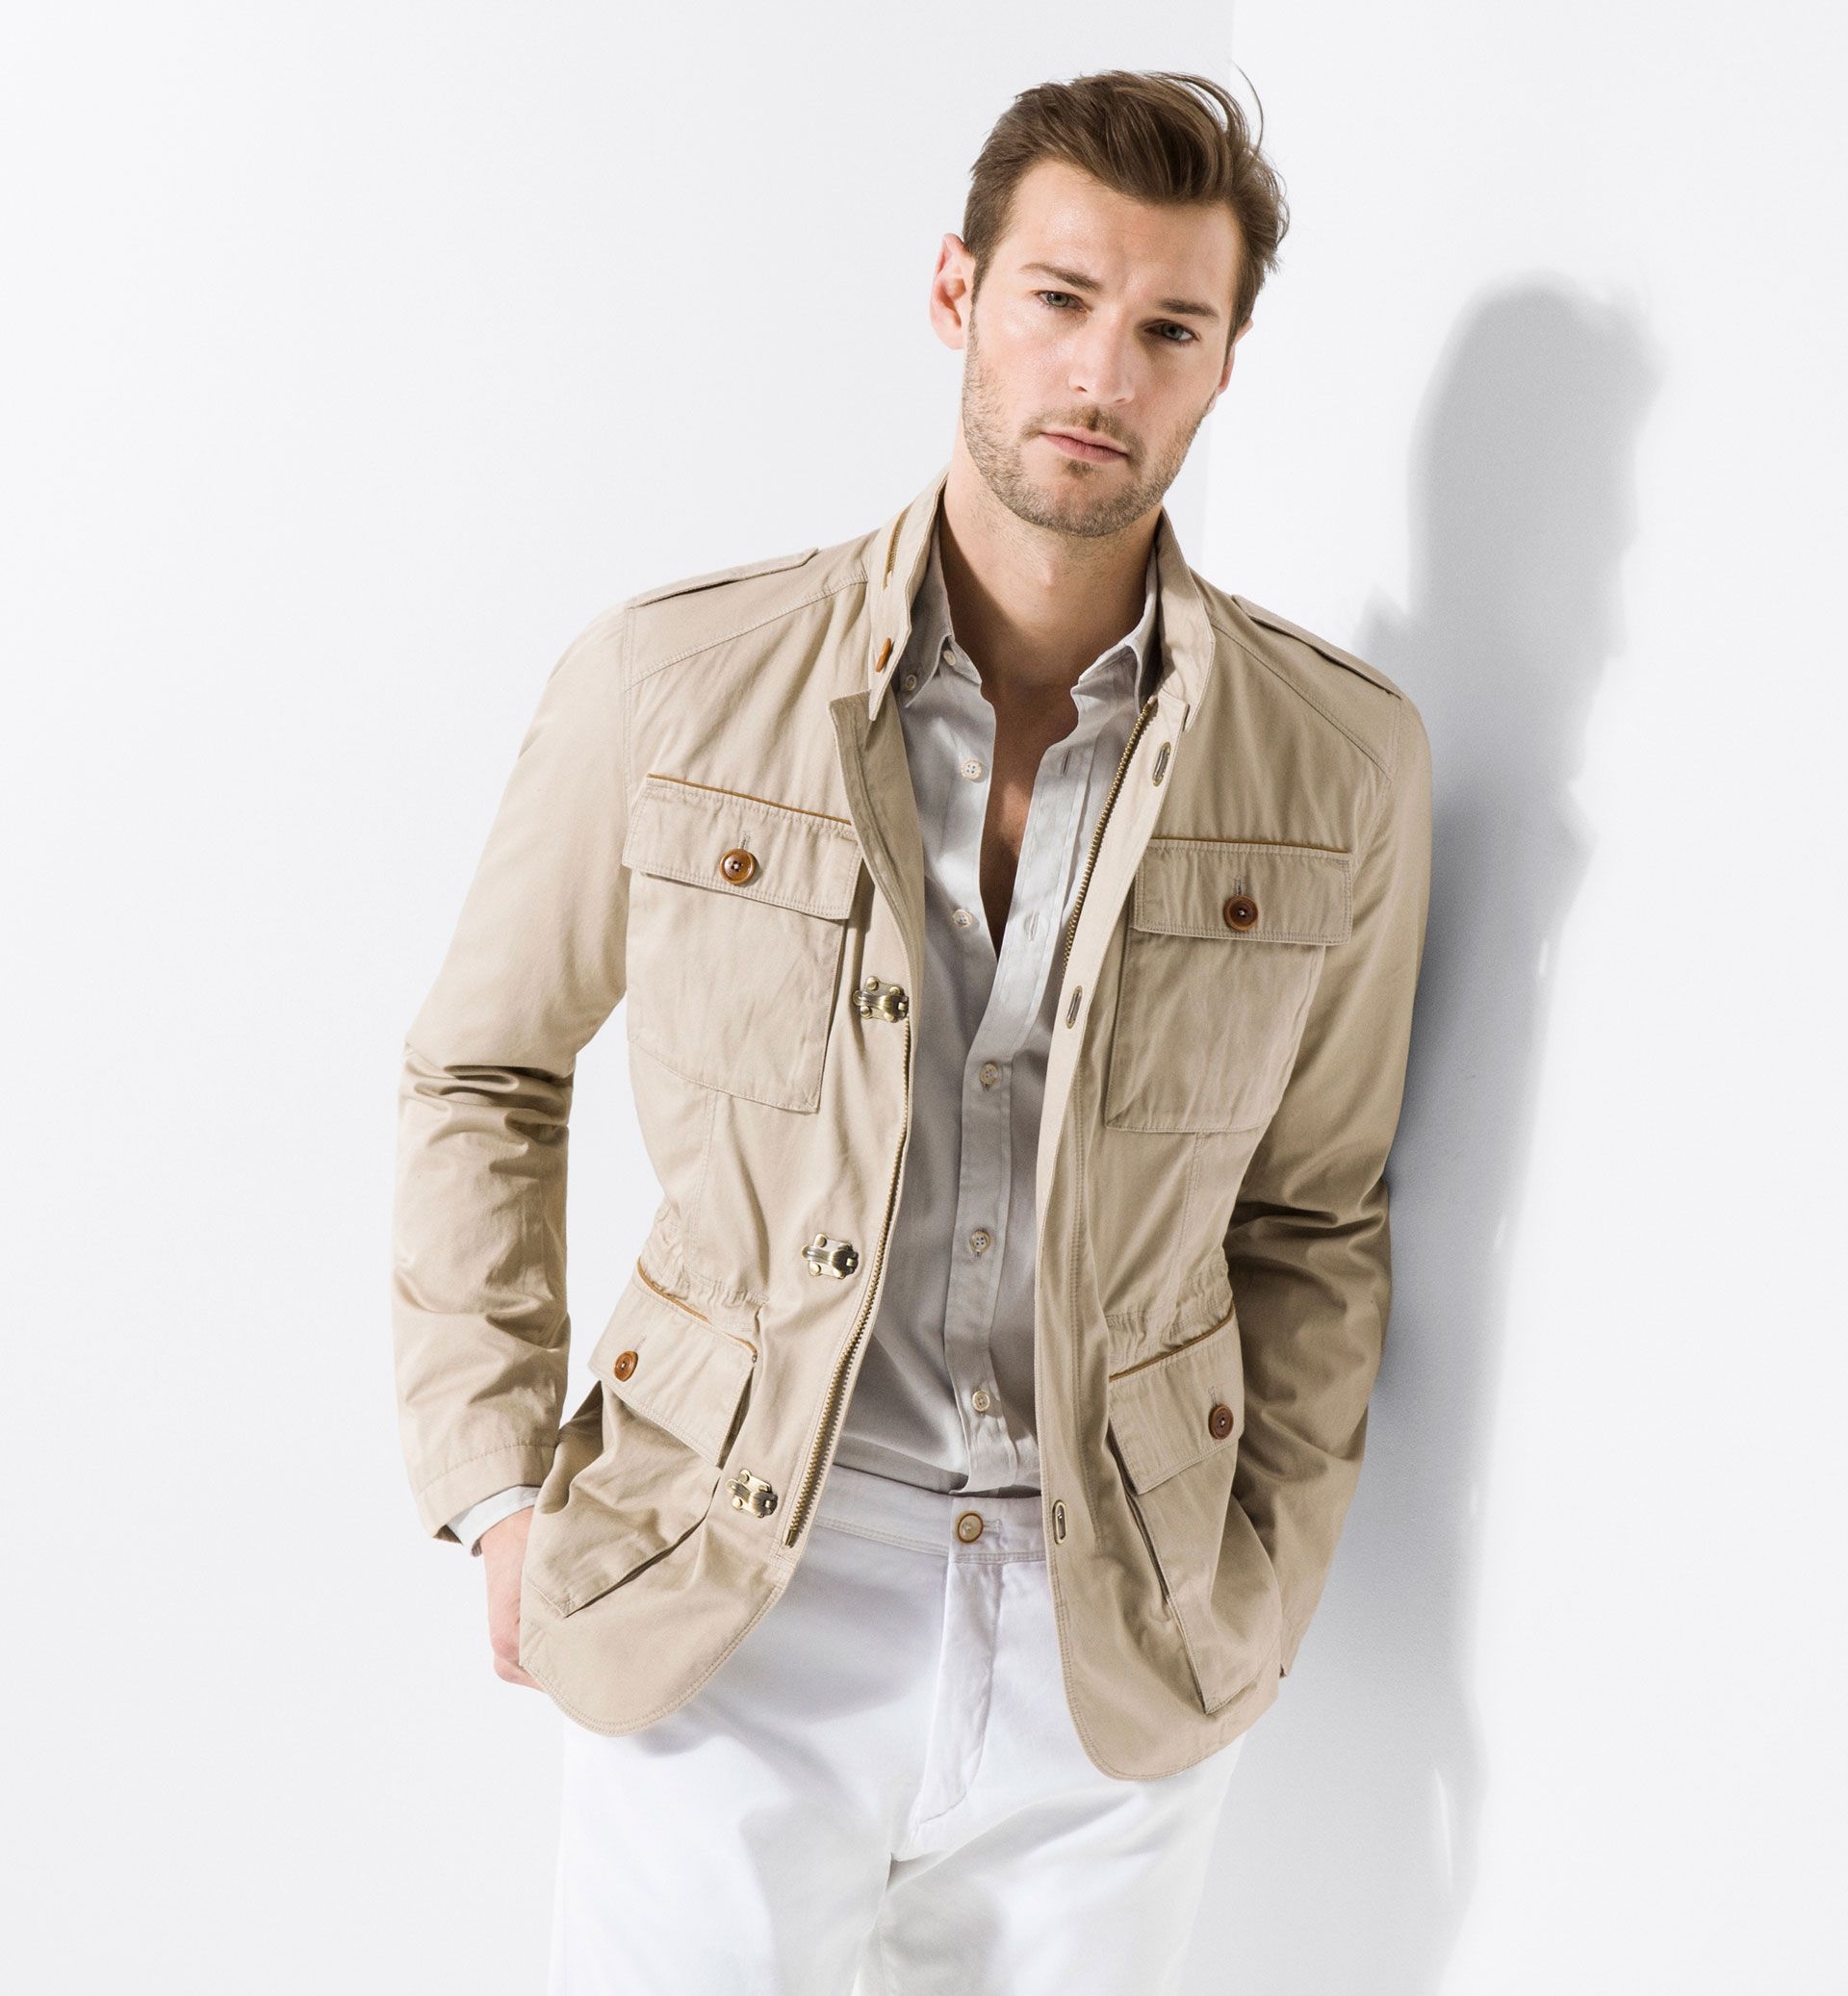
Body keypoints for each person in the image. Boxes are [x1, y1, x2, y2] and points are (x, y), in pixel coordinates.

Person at [391, 65, 1433, 1996]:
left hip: (1113, 1639)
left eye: (1169, 328)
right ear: (957, 291)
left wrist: (1259, 1584)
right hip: (729, 1591)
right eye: (1061, 297)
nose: (1102, 372)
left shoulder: (1343, 762)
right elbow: (484, 1065)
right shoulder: (679, 681)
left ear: (1224, 365)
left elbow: (1315, 1212)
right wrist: (500, 1488)